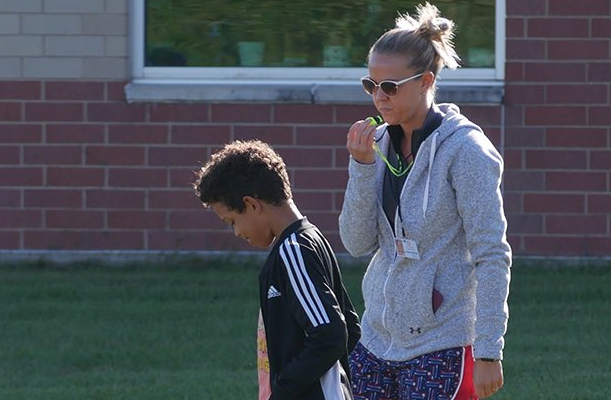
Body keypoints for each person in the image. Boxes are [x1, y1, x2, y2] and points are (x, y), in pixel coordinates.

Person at [339, 3, 511, 399]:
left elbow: (492, 253)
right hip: (377, 339)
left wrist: (488, 351)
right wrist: (362, 168)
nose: (379, 98)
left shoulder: (466, 150)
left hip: (442, 341)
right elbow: (356, 242)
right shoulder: (378, 144)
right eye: (371, 85)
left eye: (391, 87)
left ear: (425, 81)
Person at [195, 140, 361, 400]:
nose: (237, 232)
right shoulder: (310, 240)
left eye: (232, 222)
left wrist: (285, 389)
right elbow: (350, 327)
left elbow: (331, 334)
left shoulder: (293, 251)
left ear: (251, 204)